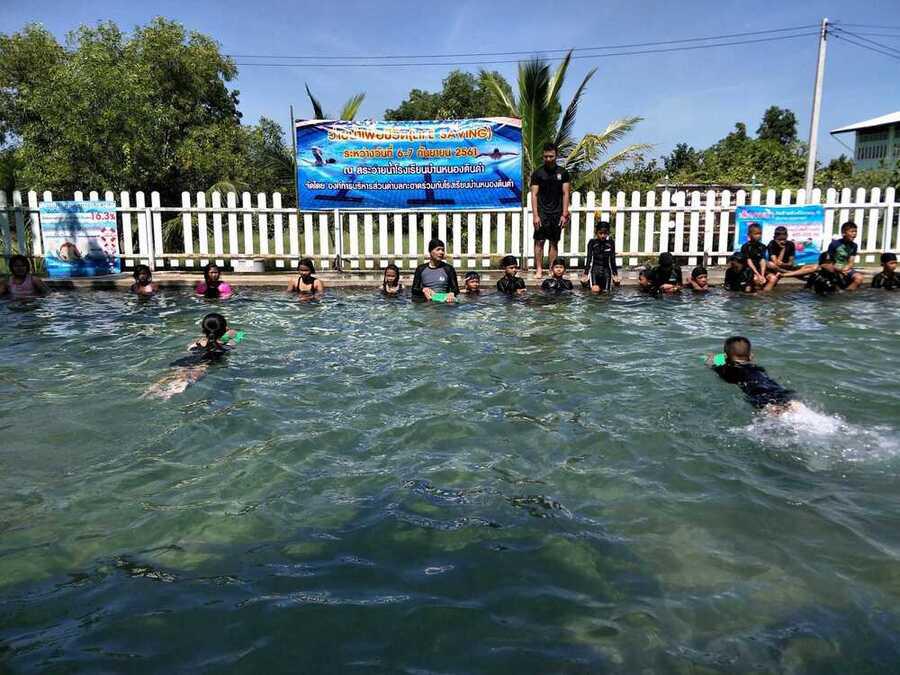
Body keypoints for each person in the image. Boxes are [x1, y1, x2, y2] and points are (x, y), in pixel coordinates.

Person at [144, 313, 243, 399]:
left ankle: (153, 387)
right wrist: (229, 332)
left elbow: (189, 349)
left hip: (186, 360)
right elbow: (238, 335)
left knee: (175, 375)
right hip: (204, 363)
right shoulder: (227, 345)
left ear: (203, 330)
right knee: (188, 379)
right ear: (225, 329)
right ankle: (172, 391)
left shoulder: (198, 342)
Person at [707, 336, 795, 410]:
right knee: (789, 407)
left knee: (773, 411)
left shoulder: (727, 370)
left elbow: (710, 362)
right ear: (751, 356)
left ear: (725, 357)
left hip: (758, 395)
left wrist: (713, 358)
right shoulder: (758, 369)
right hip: (778, 390)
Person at [530, 142, 571, 278]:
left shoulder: (563, 173)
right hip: (542, 212)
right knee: (539, 241)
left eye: (551, 156)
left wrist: (564, 213)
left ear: (556, 156)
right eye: (546, 156)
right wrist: (535, 215)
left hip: (557, 212)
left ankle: (551, 269)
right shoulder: (538, 173)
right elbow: (534, 195)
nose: (548, 159)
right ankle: (539, 269)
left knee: (554, 242)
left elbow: (566, 193)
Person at [825, 221, 865, 291]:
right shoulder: (834, 244)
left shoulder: (854, 246)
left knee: (859, 278)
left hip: (845, 268)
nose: (854, 233)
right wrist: (839, 270)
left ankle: (846, 293)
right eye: (852, 231)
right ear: (844, 233)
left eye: (855, 231)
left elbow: (851, 262)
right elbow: (828, 262)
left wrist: (845, 269)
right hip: (834, 267)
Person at [581, 222, 620, 293]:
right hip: (595, 271)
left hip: (606, 271)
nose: (603, 236)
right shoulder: (592, 242)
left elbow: (612, 259)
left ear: (608, 233)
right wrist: (586, 273)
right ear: (596, 233)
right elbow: (589, 258)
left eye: (605, 233)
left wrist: (615, 274)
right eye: (600, 233)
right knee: (595, 290)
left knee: (607, 292)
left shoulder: (610, 243)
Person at [740, 223, 780, 291]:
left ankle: (764, 294)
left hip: (760, 270)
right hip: (749, 271)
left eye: (760, 233)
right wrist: (757, 274)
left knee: (773, 278)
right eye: (756, 234)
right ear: (749, 235)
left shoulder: (762, 246)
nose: (759, 236)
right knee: (756, 280)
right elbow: (749, 262)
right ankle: (755, 293)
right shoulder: (746, 247)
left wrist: (762, 275)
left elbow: (762, 260)